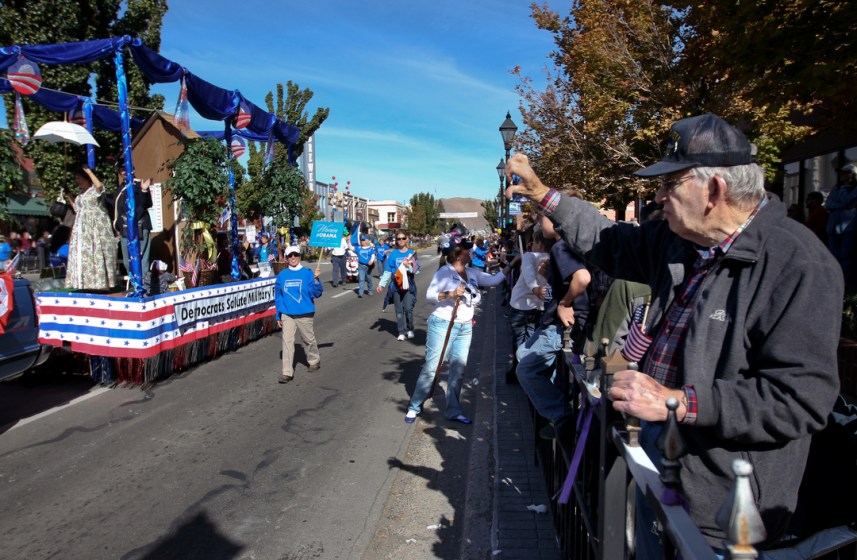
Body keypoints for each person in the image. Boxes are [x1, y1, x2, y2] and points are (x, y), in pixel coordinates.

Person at [505, 113, 843, 554]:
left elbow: (800, 398)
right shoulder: (683, 240)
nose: (660, 196)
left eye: (671, 185)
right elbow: (610, 242)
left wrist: (678, 402)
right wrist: (544, 195)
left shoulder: (795, 263)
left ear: (715, 191)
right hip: (662, 468)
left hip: (725, 508)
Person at [404, 235, 506, 424]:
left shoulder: (473, 272)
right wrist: (451, 294)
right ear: (458, 255)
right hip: (443, 323)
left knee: (458, 370)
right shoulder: (444, 272)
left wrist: (514, 264)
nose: (470, 251)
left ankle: (453, 410)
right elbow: (430, 295)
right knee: (432, 367)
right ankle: (414, 406)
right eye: (467, 249)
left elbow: (494, 281)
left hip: (465, 326)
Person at [514, 212, 591, 437]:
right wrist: (550, 278)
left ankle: (560, 416)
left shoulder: (561, 247)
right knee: (524, 354)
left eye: (541, 218)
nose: (538, 222)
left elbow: (583, 279)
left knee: (526, 370)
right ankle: (558, 401)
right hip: (552, 323)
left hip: (559, 325)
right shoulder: (564, 247)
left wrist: (565, 303)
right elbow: (565, 284)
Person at [273, 245, 323, 384]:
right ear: (286, 258)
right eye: (290, 255)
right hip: (287, 314)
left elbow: (316, 293)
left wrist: (317, 280)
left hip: (304, 313)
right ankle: (287, 372)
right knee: (287, 342)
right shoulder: (282, 275)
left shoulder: (308, 273)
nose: (293, 257)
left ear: (299, 256)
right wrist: (278, 315)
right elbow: (279, 297)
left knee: (308, 340)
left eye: (295, 255)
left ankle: (314, 360)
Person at [65, 167, 117, 291]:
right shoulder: (80, 194)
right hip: (82, 228)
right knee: (85, 254)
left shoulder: (94, 191)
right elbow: (77, 208)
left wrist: (89, 171)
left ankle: (100, 283)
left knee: (96, 252)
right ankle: (85, 282)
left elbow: (100, 187)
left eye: (79, 177)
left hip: (95, 227)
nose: (77, 180)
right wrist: (68, 195)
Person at [377, 230, 419, 340]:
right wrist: (381, 284)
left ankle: (410, 329)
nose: (401, 240)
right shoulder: (393, 254)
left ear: (407, 239)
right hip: (396, 285)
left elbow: (417, 270)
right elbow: (387, 270)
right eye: (399, 238)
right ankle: (401, 331)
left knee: (408, 309)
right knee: (399, 310)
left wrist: (408, 266)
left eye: (403, 238)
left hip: (408, 285)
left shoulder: (411, 253)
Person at [111, 169, 153, 275]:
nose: (124, 172)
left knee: (141, 260)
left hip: (140, 226)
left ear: (133, 169)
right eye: (121, 170)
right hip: (125, 229)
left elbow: (147, 204)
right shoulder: (121, 189)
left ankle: (144, 288)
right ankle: (135, 287)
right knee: (128, 261)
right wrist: (117, 225)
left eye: (126, 169)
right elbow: (117, 209)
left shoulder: (139, 184)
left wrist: (144, 191)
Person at [825, 162, 857, 281]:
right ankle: (832, 278)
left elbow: (846, 199)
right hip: (833, 226)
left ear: (852, 174)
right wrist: (845, 206)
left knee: (845, 255)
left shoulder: (853, 189)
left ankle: (844, 280)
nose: (842, 175)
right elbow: (829, 204)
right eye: (841, 173)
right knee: (832, 254)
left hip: (848, 227)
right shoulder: (836, 187)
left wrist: (843, 200)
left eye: (845, 173)